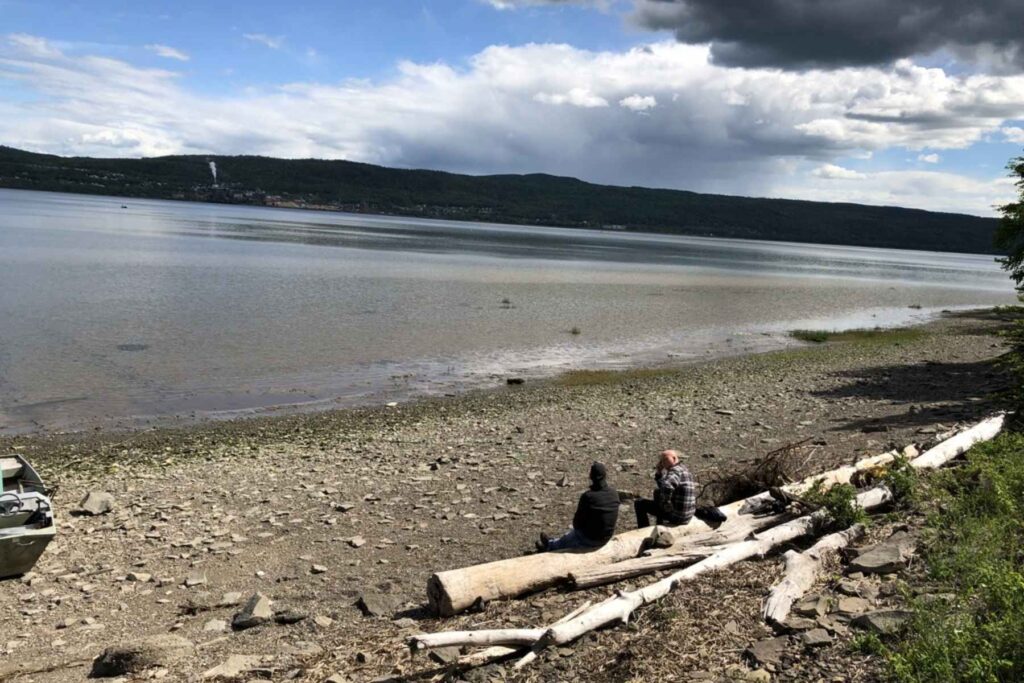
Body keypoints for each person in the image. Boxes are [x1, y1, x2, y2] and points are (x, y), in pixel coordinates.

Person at [537, 462, 619, 552]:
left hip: (591, 539)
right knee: (572, 536)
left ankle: (550, 546)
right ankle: (553, 542)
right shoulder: (614, 493)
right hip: (606, 537)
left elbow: (577, 523)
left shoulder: (588, 496)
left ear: (591, 476)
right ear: (605, 476)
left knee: (571, 536)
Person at [634, 449, 696, 527]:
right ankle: (660, 522)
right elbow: (663, 486)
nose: (663, 462)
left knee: (639, 503)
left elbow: (667, 486)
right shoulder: (684, 470)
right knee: (657, 492)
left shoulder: (675, 471)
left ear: (674, 458)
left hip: (677, 517)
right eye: (662, 460)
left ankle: (643, 530)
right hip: (687, 516)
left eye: (665, 459)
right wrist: (659, 473)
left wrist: (665, 504)